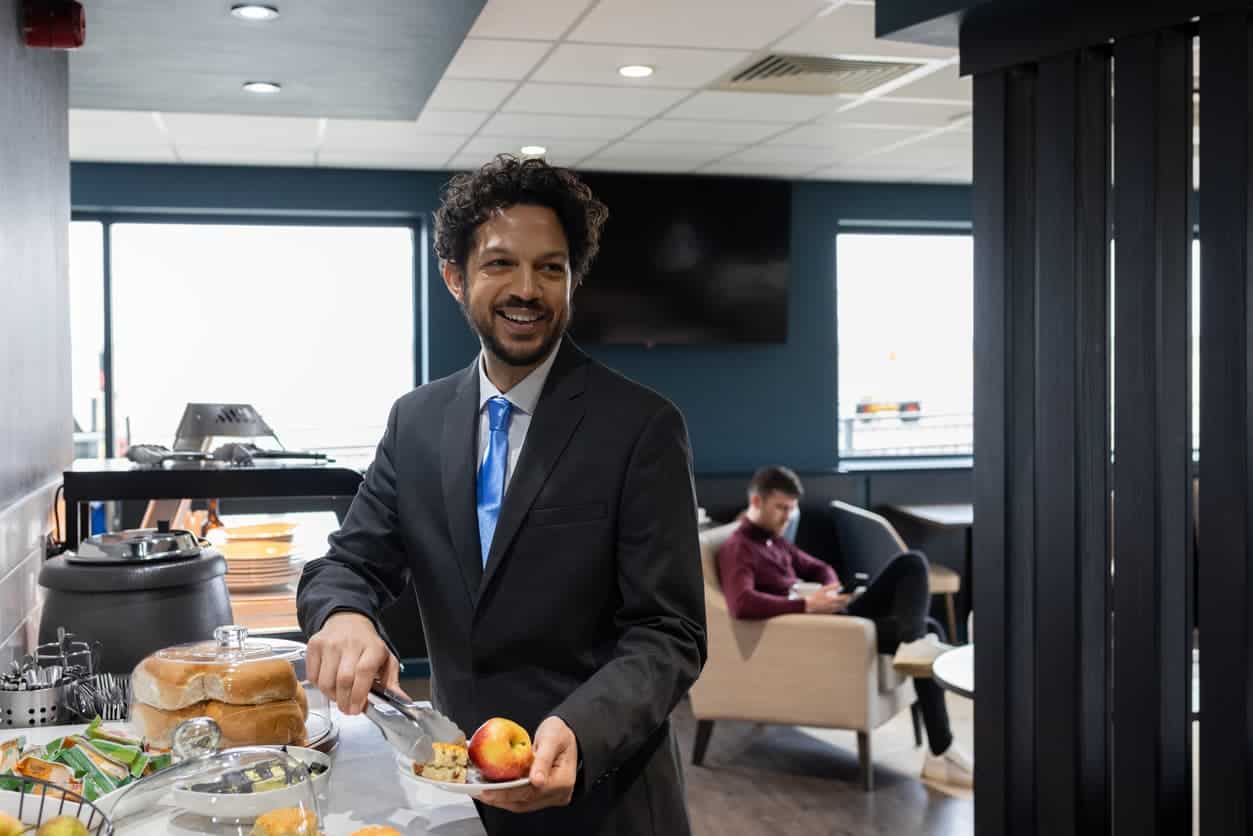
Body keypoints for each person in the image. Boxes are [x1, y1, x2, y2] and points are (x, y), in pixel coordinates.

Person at [297, 155, 707, 834]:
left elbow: (670, 632)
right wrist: (342, 614)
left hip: (606, 796)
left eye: (550, 267)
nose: (527, 289)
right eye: (499, 264)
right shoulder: (416, 421)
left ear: (574, 280)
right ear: (455, 278)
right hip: (461, 788)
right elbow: (348, 563)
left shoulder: (641, 426)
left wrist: (581, 728)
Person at [716, 466, 973, 788]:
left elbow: (818, 566)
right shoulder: (739, 547)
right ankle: (942, 748)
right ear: (756, 500)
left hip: (833, 615)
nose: (787, 516)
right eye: (780, 507)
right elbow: (742, 604)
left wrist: (831, 590)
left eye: (791, 508)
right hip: (821, 632)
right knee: (914, 572)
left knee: (922, 607)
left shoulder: (772, 541)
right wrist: (807, 605)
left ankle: (939, 748)